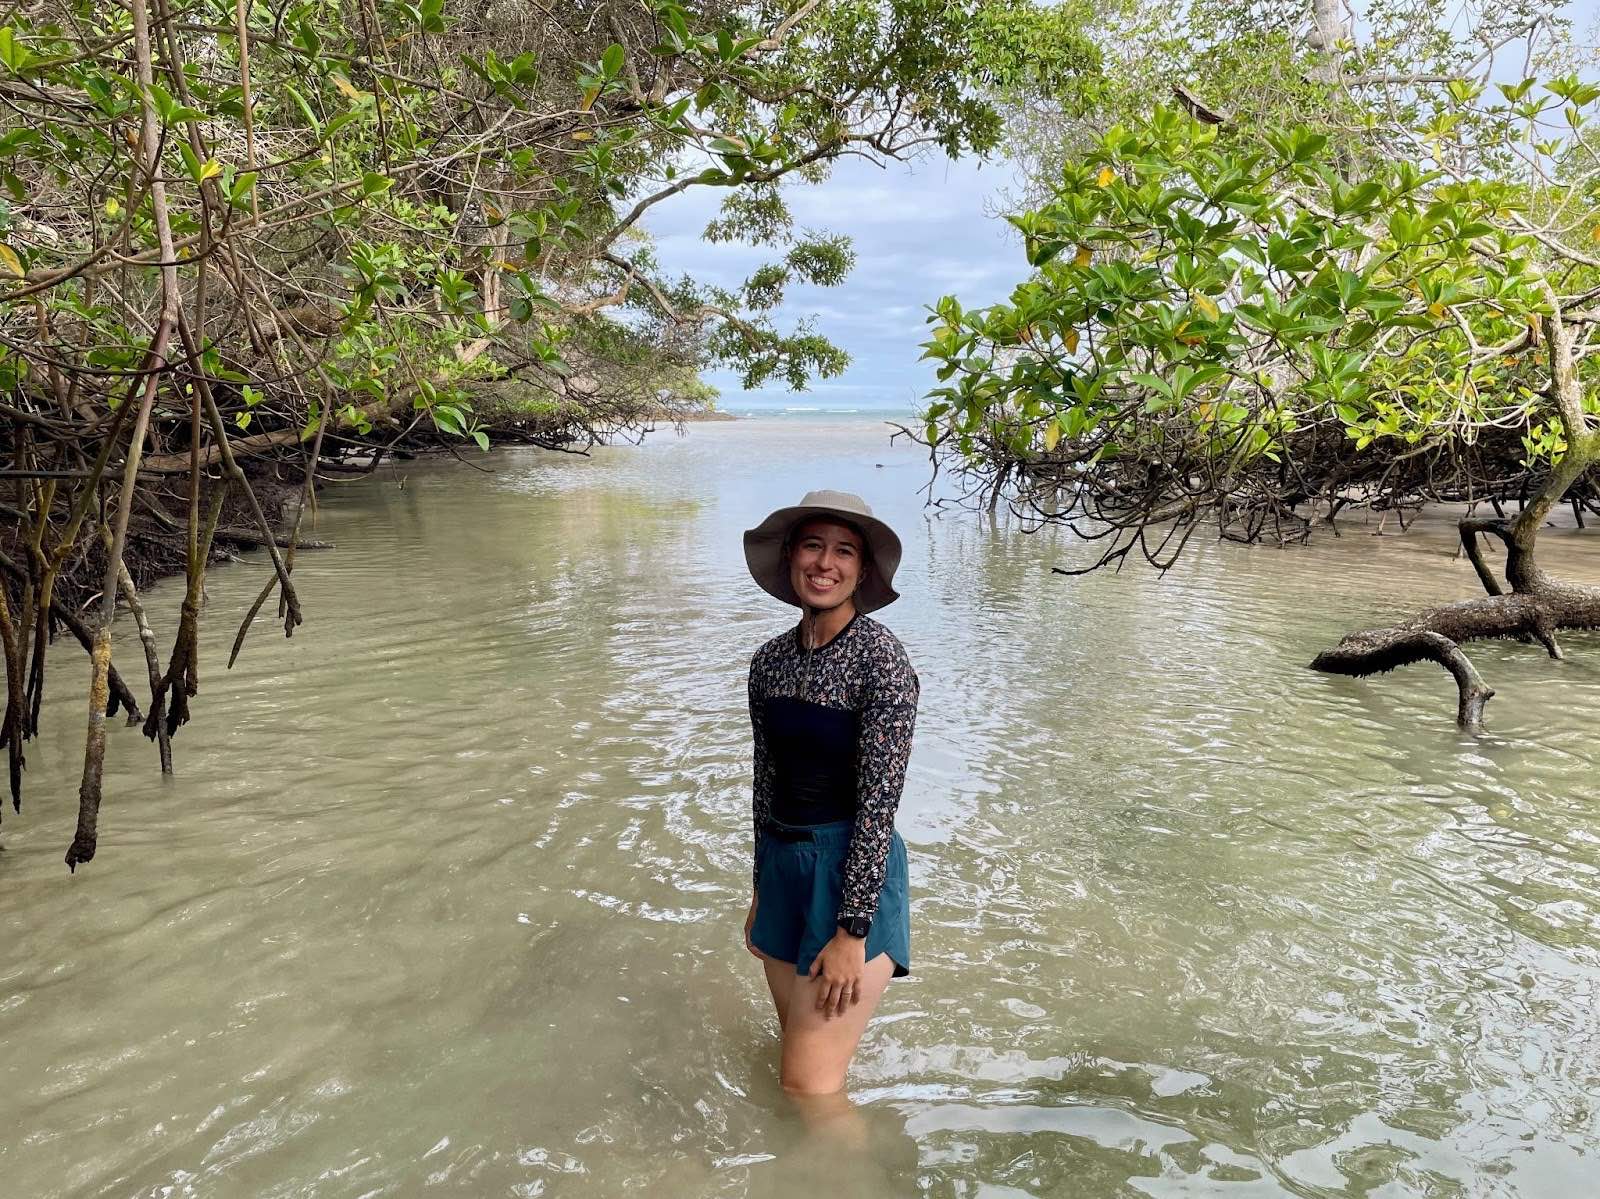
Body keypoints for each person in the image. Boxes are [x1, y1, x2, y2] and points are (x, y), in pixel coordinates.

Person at [741, 490, 920, 1101]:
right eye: (813, 545)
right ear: (791, 557)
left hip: (848, 875)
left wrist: (852, 930)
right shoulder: (769, 662)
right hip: (785, 869)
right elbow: (765, 780)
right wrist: (761, 885)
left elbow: (879, 801)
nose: (826, 563)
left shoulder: (882, 661)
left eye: (844, 551)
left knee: (806, 1089)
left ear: (862, 571)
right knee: (793, 1055)